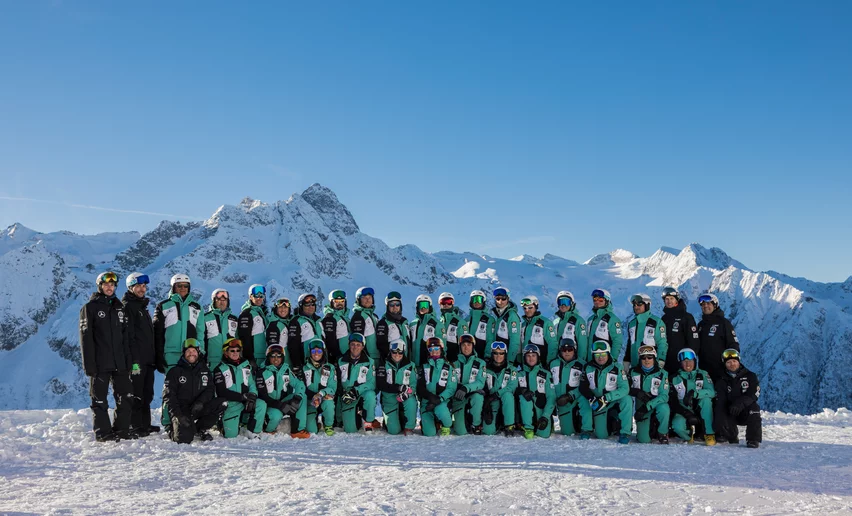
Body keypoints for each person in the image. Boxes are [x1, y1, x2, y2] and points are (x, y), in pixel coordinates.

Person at [80, 271, 134, 442]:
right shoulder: (90, 308)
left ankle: (121, 430)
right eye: (106, 285)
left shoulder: (119, 308)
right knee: (100, 401)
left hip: (120, 363)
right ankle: (103, 433)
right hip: (100, 363)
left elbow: (125, 339)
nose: (109, 287)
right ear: (100, 286)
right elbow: (85, 339)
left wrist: (128, 361)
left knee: (125, 398)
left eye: (112, 285)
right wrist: (89, 365)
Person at [154, 273, 204, 429]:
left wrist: (200, 352)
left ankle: (185, 419)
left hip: (190, 355)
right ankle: (168, 421)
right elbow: (157, 333)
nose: (182, 288)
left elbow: (200, 332)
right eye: (179, 286)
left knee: (188, 388)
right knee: (170, 389)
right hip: (171, 354)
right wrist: (158, 355)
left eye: (185, 286)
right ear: (173, 287)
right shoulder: (164, 305)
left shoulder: (196, 307)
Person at [164, 339, 225, 443]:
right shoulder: (175, 371)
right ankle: (172, 428)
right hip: (182, 410)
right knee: (184, 439)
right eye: (188, 351)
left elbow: (210, 389)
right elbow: (169, 396)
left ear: (198, 352)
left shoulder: (204, 370)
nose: (191, 354)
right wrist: (178, 415)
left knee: (221, 403)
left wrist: (200, 402)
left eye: (194, 351)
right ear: (184, 353)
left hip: (197, 407)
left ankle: (200, 428)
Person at [122, 272, 158, 437]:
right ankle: (135, 425)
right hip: (137, 360)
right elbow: (128, 336)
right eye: (139, 286)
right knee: (136, 393)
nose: (142, 289)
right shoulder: (128, 307)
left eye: (144, 286)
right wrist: (133, 360)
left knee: (147, 393)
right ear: (131, 287)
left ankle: (145, 424)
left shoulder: (141, 306)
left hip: (147, 359)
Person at [213, 339, 267, 439]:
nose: (235, 353)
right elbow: (221, 392)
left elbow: (251, 383)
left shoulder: (246, 366)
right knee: (230, 435)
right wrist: (243, 397)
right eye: (232, 351)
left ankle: (253, 432)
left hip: (245, 400)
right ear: (226, 352)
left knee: (261, 404)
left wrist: (253, 395)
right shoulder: (219, 369)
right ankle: (222, 423)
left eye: (238, 350)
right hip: (231, 404)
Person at [580, 341, 632, 444]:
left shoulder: (617, 368)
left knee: (627, 399)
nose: (600, 358)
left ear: (608, 354)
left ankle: (625, 432)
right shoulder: (587, 367)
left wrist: (607, 398)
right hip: (597, 401)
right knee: (601, 435)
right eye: (597, 355)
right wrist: (591, 397)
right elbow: (582, 386)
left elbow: (625, 388)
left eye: (603, 354)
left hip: (610, 400)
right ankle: (587, 429)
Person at [255, 344, 310, 438]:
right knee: (275, 415)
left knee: (302, 397)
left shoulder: (286, 370)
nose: (276, 359)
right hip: (270, 405)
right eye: (273, 356)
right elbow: (262, 395)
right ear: (268, 357)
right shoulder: (262, 372)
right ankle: (268, 430)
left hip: (282, 401)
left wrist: (297, 397)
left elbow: (299, 384)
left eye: (279, 356)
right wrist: (280, 405)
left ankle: (297, 430)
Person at [715, 349, 762, 448]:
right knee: (719, 407)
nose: (732, 364)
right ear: (725, 364)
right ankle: (730, 435)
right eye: (728, 362)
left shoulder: (750, 376)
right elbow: (720, 399)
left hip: (744, 410)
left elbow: (754, 394)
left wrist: (740, 403)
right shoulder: (721, 379)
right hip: (729, 411)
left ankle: (753, 439)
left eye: (734, 361)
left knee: (754, 408)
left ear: (739, 361)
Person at [670, 347, 716, 445]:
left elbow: (712, 392)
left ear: (695, 361)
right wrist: (686, 413)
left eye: (690, 361)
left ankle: (709, 433)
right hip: (684, 409)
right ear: (680, 363)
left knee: (706, 400)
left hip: (700, 407)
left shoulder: (703, 374)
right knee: (677, 426)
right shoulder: (674, 379)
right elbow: (672, 401)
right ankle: (688, 434)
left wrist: (695, 394)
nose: (688, 364)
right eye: (684, 361)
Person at [549, 338, 593, 438]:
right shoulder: (553, 364)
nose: (567, 352)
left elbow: (586, 386)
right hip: (561, 401)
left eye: (570, 349)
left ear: (574, 350)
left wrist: (570, 396)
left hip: (576, 398)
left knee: (585, 400)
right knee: (567, 432)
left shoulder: (582, 365)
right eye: (564, 350)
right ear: (560, 350)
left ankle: (586, 429)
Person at [629, 345, 671, 444]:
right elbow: (625, 388)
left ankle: (663, 432)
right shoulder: (633, 372)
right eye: (643, 358)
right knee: (643, 440)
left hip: (656, 403)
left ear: (654, 358)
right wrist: (636, 392)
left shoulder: (662, 373)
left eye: (649, 357)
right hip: (641, 405)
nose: (646, 360)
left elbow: (664, 396)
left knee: (664, 408)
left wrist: (647, 407)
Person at [417, 337, 458, 436]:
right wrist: (430, 398)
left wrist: (439, 399)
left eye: (436, 349)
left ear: (441, 350)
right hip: (427, 403)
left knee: (442, 413)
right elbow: (420, 388)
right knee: (429, 433)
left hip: (442, 402)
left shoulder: (449, 368)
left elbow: (451, 388)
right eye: (431, 350)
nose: (434, 352)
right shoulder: (423, 367)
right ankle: (430, 422)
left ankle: (446, 424)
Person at [376, 339, 418, 436]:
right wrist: (399, 388)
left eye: (400, 352)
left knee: (411, 401)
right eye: (394, 352)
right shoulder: (384, 365)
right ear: (390, 351)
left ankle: (409, 427)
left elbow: (414, 385)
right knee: (394, 431)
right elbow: (381, 385)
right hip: (389, 399)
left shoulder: (411, 365)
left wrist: (407, 393)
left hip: (405, 397)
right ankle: (390, 421)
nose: (397, 354)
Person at [337, 333, 378, 433]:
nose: (355, 347)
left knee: (371, 396)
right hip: (347, 396)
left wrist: (355, 391)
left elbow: (372, 384)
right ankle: (355, 417)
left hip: (361, 393)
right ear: (349, 345)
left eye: (358, 345)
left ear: (363, 346)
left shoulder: (370, 362)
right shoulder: (341, 361)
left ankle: (368, 421)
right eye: (353, 344)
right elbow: (337, 382)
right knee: (350, 430)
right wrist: (343, 393)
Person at [516, 344, 556, 439]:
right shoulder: (518, 373)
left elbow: (551, 397)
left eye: (533, 356)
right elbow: (511, 389)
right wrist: (521, 390)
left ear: (538, 357)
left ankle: (549, 422)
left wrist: (545, 416)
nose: (531, 359)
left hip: (540, 409)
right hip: (525, 410)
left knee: (544, 434)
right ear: (524, 357)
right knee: (524, 397)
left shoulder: (546, 374)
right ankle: (528, 428)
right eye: (528, 356)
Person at [697, 292, 740, 381]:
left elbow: (733, 344)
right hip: (704, 369)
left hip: (721, 370)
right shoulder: (701, 325)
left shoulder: (724, 323)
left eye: (708, 304)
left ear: (715, 305)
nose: (705, 306)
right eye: (703, 304)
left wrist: (731, 365)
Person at [660, 287, 700, 378]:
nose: (669, 301)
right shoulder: (664, 318)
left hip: (682, 362)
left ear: (676, 300)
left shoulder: (686, 317)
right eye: (666, 299)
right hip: (666, 362)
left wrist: (689, 362)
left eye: (671, 299)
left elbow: (694, 342)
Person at [451, 334, 487, 435]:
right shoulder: (454, 363)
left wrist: (466, 388)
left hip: (472, 393)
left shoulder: (480, 363)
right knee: (460, 432)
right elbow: (451, 382)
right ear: (460, 347)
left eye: (469, 345)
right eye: (463, 345)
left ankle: (476, 424)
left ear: (473, 346)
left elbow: (480, 382)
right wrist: (458, 388)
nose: (466, 348)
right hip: (459, 396)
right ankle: (463, 419)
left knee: (478, 397)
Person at [482, 341, 519, 436]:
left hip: (505, 400)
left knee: (508, 395)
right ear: (492, 354)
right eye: (495, 353)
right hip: (491, 401)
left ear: (505, 354)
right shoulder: (485, 369)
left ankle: (509, 425)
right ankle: (497, 422)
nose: (498, 356)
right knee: (488, 431)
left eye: (501, 353)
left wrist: (497, 394)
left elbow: (512, 386)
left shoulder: (512, 369)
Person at [302, 338, 338, 436]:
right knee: (312, 431)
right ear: (310, 352)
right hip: (311, 402)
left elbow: (332, 388)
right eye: (313, 351)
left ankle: (328, 425)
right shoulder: (304, 368)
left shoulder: (330, 368)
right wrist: (314, 396)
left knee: (329, 403)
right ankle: (316, 424)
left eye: (319, 350)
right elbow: (301, 388)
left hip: (324, 399)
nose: (316, 353)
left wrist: (321, 394)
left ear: (323, 352)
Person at [624, 293, 668, 370]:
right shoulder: (632, 323)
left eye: (639, 304)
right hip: (635, 366)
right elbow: (630, 344)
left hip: (652, 367)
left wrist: (661, 360)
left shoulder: (656, 322)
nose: (636, 307)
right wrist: (626, 361)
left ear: (647, 305)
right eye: (634, 305)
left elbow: (662, 343)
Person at [203, 288, 238, 371]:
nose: (222, 302)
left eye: (225, 300)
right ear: (214, 301)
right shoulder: (205, 318)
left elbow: (238, 341)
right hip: (212, 362)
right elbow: (201, 339)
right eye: (219, 299)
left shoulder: (234, 319)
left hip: (230, 361)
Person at [287, 293, 324, 370]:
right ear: (301, 306)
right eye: (307, 305)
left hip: (320, 363)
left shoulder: (318, 320)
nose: (310, 307)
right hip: (305, 365)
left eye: (313, 304)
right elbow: (293, 345)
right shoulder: (296, 321)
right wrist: (297, 365)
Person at [586, 289, 624, 363]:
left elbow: (617, 342)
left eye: (600, 300)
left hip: (605, 361)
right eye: (595, 299)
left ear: (607, 301)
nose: (597, 302)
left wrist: (612, 361)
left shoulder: (612, 319)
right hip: (590, 362)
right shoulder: (591, 319)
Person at [552, 291, 589, 364]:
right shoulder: (555, 322)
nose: (563, 305)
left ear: (572, 303)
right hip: (558, 362)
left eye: (566, 302)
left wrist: (581, 363)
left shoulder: (578, 321)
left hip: (573, 362)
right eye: (560, 302)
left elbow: (582, 345)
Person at [237, 284, 270, 367]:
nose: (259, 298)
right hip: (255, 358)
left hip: (263, 356)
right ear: (250, 297)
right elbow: (244, 337)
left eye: (261, 296)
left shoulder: (262, 312)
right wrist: (249, 359)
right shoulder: (247, 313)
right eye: (256, 296)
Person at [519, 295, 558, 364]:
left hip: (542, 366)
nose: (527, 310)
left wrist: (550, 362)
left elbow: (553, 344)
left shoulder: (545, 323)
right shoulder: (523, 325)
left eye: (530, 308)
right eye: (524, 308)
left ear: (536, 307)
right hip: (526, 366)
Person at [409, 295, 446, 366]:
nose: (423, 308)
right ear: (417, 307)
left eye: (425, 305)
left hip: (429, 366)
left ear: (430, 307)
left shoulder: (437, 324)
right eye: (421, 305)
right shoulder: (412, 324)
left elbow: (443, 348)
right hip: (413, 366)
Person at [375, 291, 410, 362]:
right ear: (387, 306)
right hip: (390, 363)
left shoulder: (404, 323)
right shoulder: (383, 323)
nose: (395, 307)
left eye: (397, 304)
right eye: (391, 304)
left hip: (405, 363)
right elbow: (381, 345)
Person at [491, 287, 521, 365]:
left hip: (506, 360)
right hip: (496, 358)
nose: (500, 301)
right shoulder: (496, 314)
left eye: (503, 299)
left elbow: (515, 341)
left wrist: (510, 361)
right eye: (497, 299)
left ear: (508, 299)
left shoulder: (512, 316)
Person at [350, 287, 380, 362]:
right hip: (367, 358)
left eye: (369, 297)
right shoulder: (358, 316)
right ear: (359, 300)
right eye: (364, 298)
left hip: (376, 356)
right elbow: (357, 341)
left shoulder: (374, 316)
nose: (367, 300)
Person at [438, 292, 470, 363]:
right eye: (443, 302)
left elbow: (464, 344)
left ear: (453, 303)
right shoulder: (439, 322)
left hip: (455, 362)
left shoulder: (460, 322)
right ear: (439, 304)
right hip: (441, 361)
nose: (446, 304)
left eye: (449, 302)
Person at [322, 289, 351, 363]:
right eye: (336, 301)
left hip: (348, 357)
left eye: (342, 301)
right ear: (331, 302)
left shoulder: (345, 317)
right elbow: (329, 341)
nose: (340, 303)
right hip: (339, 359)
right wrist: (335, 358)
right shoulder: (330, 318)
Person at [466, 290, 496, 359]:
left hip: (482, 356)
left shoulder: (489, 319)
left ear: (483, 302)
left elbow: (490, 339)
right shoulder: (467, 319)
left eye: (479, 299)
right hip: (468, 356)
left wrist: (487, 355)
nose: (476, 302)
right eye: (474, 300)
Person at [265, 297, 292, 363]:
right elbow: (272, 349)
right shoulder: (274, 325)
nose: (283, 310)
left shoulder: (288, 322)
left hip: (288, 363)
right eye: (280, 307)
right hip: (281, 364)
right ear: (275, 309)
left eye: (285, 307)